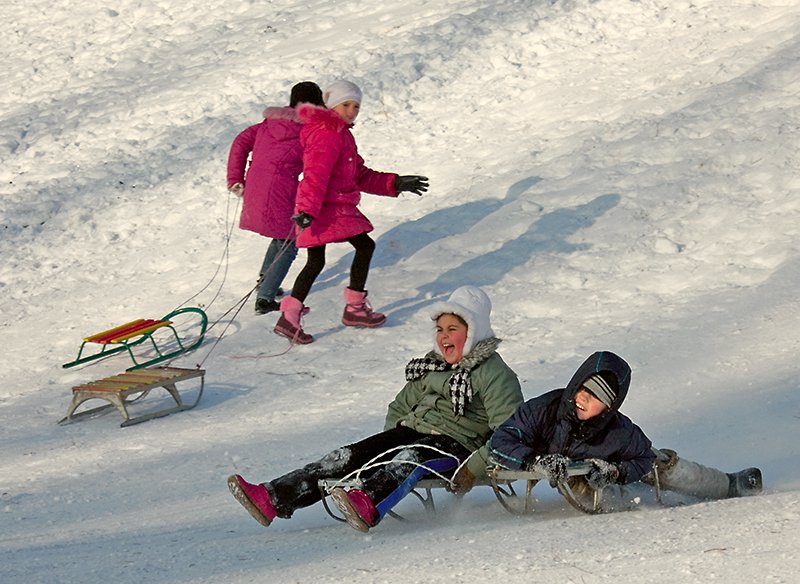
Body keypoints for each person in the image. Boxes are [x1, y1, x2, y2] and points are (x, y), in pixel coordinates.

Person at [228, 285, 524, 532]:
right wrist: (385, 444)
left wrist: (474, 467)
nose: (444, 336)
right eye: (440, 329)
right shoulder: (432, 364)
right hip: (413, 432)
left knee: (412, 458)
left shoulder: (495, 374)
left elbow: (510, 429)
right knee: (348, 455)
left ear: (473, 332)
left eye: (453, 329)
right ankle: (273, 497)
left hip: (457, 447)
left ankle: (367, 502)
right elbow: (401, 403)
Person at [488, 351, 763, 510]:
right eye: (584, 390)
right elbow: (501, 441)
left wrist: (617, 472)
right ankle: (666, 504)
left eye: (597, 398)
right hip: (575, 478)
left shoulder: (618, 430)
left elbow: (642, 458)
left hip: (607, 465)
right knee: (598, 494)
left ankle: (725, 485)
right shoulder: (544, 409)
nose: (585, 399)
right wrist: (535, 460)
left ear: (609, 407)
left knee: (658, 462)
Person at [273, 79, 429, 343]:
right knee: (361, 247)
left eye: (356, 106)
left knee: (320, 260)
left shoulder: (341, 134)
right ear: (332, 105)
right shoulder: (326, 133)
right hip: (324, 207)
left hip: (330, 205)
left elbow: (359, 175)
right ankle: (352, 309)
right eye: (346, 104)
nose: (352, 110)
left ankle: (292, 317)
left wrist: (395, 182)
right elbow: (315, 174)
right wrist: (308, 210)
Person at [226, 81, 325, 315]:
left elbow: (240, 142)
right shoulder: (307, 130)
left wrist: (235, 178)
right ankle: (265, 299)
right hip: (280, 189)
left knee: (280, 236)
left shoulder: (269, 122)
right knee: (289, 240)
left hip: (256, 186)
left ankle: (266, 281)